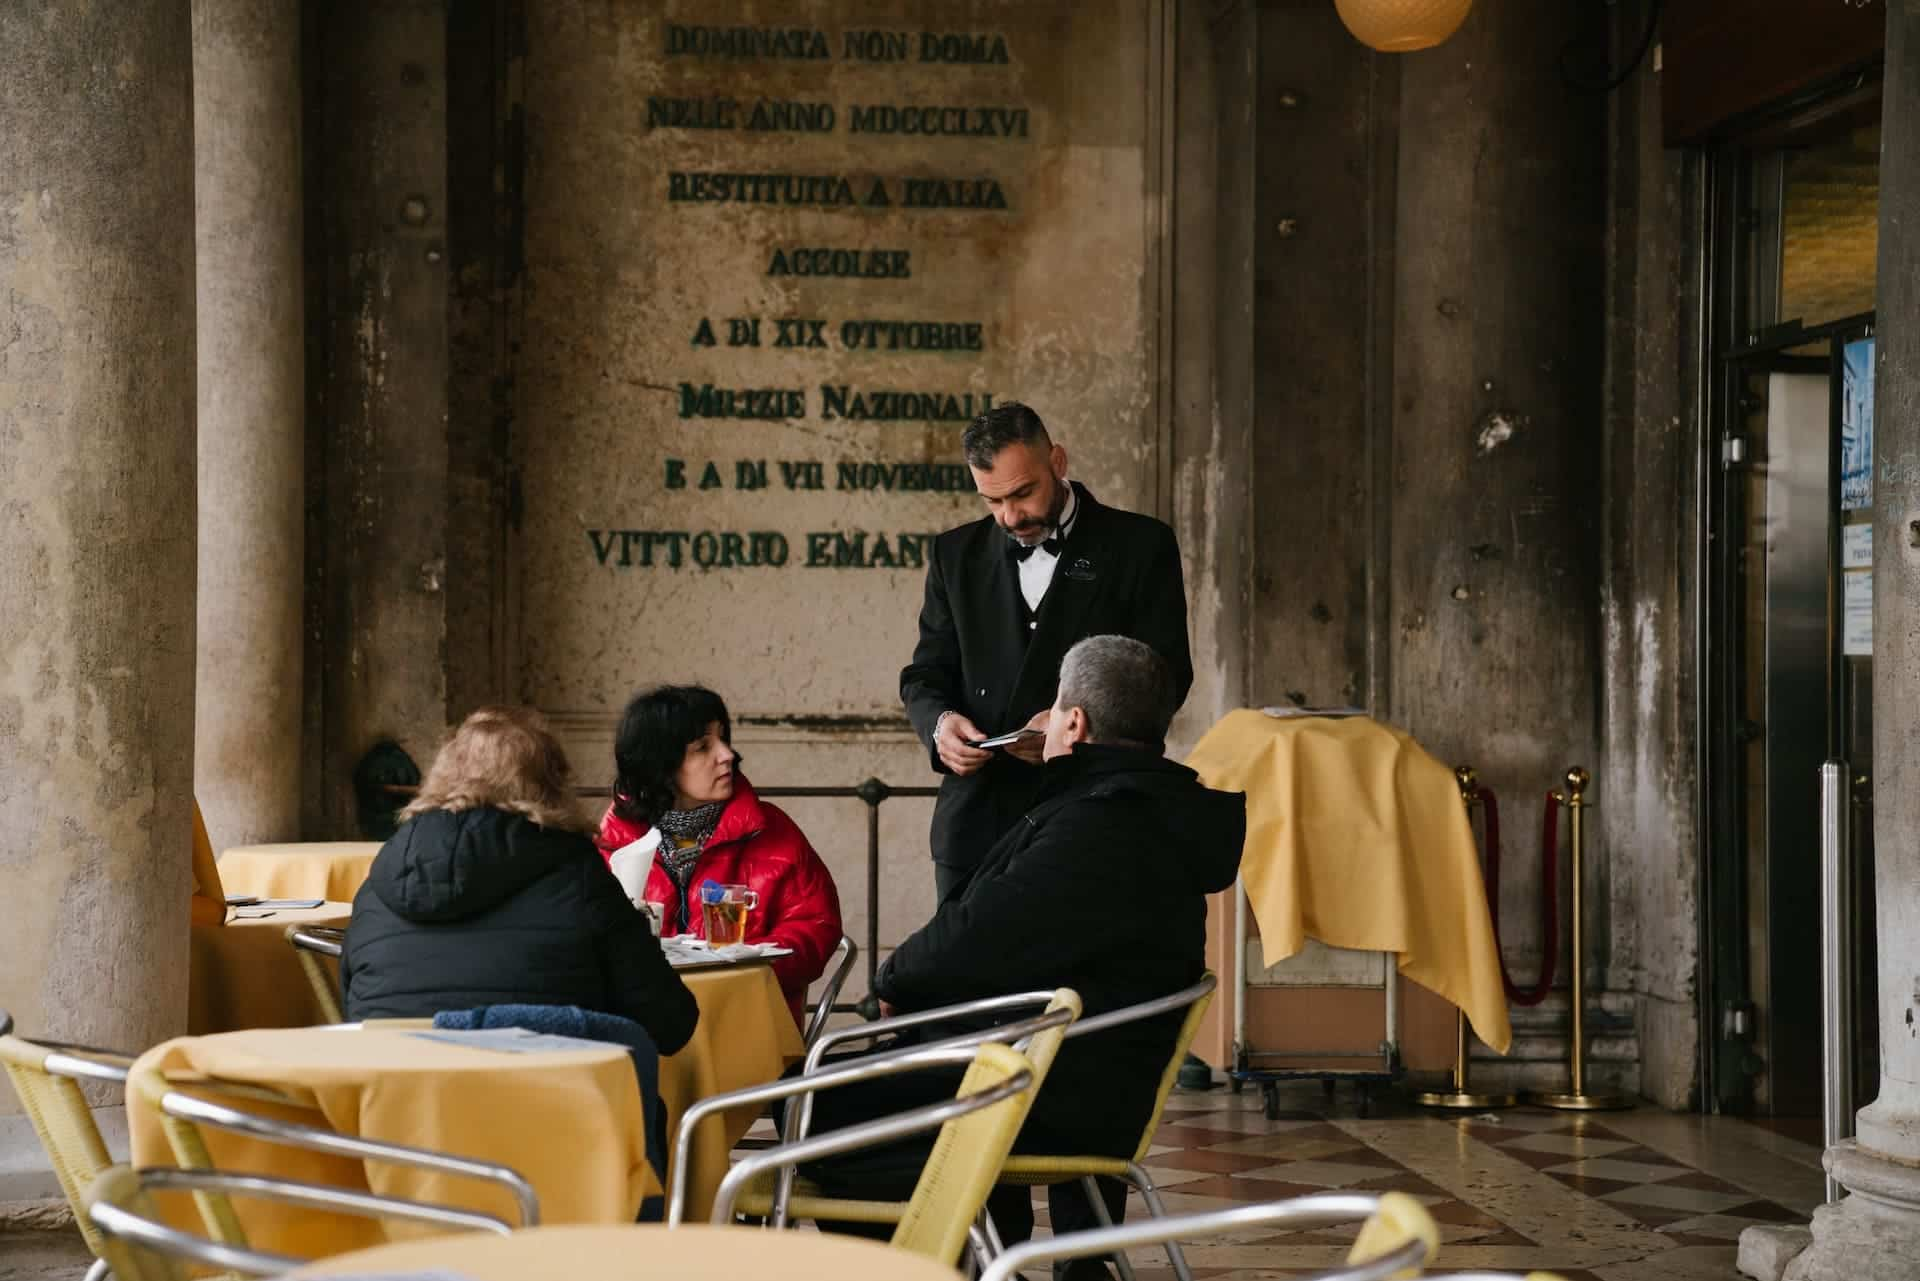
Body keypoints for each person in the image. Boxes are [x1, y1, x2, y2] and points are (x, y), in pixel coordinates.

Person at [799, 636, 1245, 1277]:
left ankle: (931, 1266)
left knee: (810, 1104)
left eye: (1056, 708)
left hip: (1047, 1088)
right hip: (1086, 1074)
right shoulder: (1146, 809)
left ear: (1074, 721)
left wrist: (895, 979)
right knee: (834, 1092)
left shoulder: (1097, 825)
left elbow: (974, 936)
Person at [901, 402, 1194, 898]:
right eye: (992, 501)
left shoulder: (1141, 545)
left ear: (1058, 462)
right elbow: (926, 673)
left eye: (1023, 493)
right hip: (976, 826)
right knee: (969, 976)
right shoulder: (954, 555)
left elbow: (1167, 677)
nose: (1010, 517)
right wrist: (940, 725)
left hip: (1095, 815)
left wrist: (1075, 729)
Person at [341, 705, 698, 1056]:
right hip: (551, 1109)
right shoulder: (579, 877)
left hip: (399, 1107)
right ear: (552, 785)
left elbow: (354, 1006)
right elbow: (671, 1024)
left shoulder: (377, 886)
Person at [595, 684, 843, 1027]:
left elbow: (816, 927)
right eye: (703, 747)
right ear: (659, 762)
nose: (726, 754)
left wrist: (744, 964)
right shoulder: (613, 842)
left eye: (724, 739)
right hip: (641, 1026)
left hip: (745, 1024)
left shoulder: (771, 828)